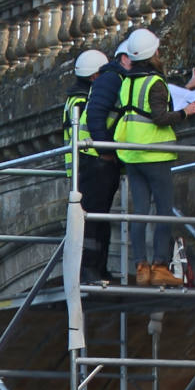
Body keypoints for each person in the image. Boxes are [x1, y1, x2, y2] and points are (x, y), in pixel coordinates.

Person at [113, 28, 195, 286]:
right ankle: (161, 265)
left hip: (132, 155)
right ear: (153, 53)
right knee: (163, 211)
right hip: (155, 153)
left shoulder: (127, 81)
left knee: (140, 212)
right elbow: (159, 117)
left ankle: (141, 267)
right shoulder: (155, 81)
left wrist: (185, 88)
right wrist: (186, 112)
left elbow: (141, 108)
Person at [62, 49, 117, 284]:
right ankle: (90, 271)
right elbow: (97, 124)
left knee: (97, 220)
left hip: (83, 166)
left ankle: (97, 269)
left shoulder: (75, 97)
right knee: (93, 222)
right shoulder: (86, 99)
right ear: (95, 76)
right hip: (92, 163)